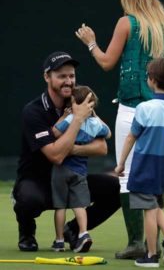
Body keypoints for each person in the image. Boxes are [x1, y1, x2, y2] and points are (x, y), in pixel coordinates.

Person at [75, 0, 164, 259]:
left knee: (127, 175)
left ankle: (137, 242)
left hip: (134, 107)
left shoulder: (127, 22)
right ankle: (156, 240)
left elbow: (107, 62)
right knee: (154, 176)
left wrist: (90, 42)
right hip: (163, 108)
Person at [13, 51, 120, 252]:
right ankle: (27, 232)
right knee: (28, 199)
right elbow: (55, 155)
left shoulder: (79, 102)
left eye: (71, 76)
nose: (68, 81)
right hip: (38, 180)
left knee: (116, 188)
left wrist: (71, 146)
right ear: (47, 77)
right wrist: (77, 120)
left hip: (72, 177)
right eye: (61, 76)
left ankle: (73, 231)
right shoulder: (33, 111)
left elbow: (102, 146)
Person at [115, 57, 164, 267]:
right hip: (163, 167)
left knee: (148, 210)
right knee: (156, 204)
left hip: (144, 165)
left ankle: (151, 255)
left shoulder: (144, 108)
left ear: (152, 80)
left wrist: (120, 164)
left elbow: (131, 137)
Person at [51, 85, 111, 252]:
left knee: (60, 206)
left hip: (61, 168)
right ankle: (83, 233)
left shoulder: (70, 119)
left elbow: (54, 132)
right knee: (79, 205)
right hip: (80, 171)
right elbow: (108, 134)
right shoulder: (95, 124)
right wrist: (95, 116)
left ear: (73, 102)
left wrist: (64, 116)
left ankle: (59, 241)